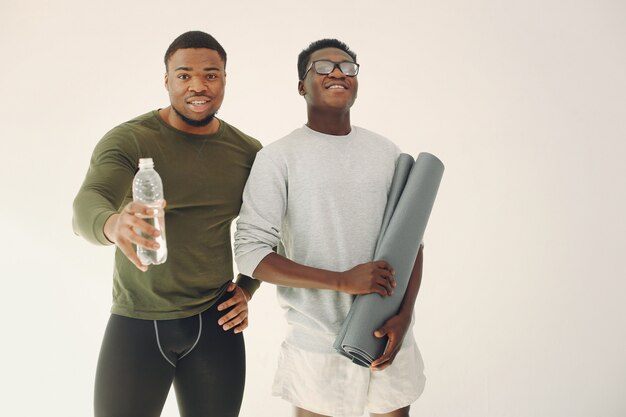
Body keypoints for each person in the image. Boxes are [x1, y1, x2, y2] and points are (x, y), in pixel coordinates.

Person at [73, 31, 262, 417]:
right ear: (166, 80)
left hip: (216, 324)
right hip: (139, 322)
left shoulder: (247, 152)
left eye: (211, 75)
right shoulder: (130, 139)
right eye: (183, 75)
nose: (198, 86)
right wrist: (114, 225)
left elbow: (273, 231)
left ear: (226, 78)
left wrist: (248, 287)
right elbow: (85, 206)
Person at [235, 39, 426, 417]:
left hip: (387, 335)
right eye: (323, 67)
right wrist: (342, 280)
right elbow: (251, 253)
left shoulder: (386, 152)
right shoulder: (277, 158)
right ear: (302, 85)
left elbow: (413, 242)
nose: (338, 72)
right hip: (316, 342)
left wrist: (405, 316)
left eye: (348, 67)